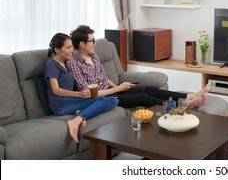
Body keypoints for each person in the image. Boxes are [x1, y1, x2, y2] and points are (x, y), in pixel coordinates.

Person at [66, 25, 209, 109]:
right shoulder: (73, 63)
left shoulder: (93, 56)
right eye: (92, 41)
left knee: (149, 89)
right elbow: (89, 93)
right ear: (82, 44)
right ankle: (184, 106)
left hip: (111, 91)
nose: (95, 43)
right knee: (143, 97)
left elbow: (103, 77)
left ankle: (190, 96)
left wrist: (118, 87)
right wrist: (117, 90)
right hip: (101, 99)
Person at [45, 33, 119, 143]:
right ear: (57, 49)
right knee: (103, 100)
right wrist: (79, 94)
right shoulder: (51, 64)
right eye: (68, 47)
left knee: (113, 100)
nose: (72, 50)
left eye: (72, 47)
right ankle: (76, 120)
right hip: (60, 104)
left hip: (70, 101)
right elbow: (55, 90)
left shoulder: (65, 62)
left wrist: (91, 53)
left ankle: (80, 115)